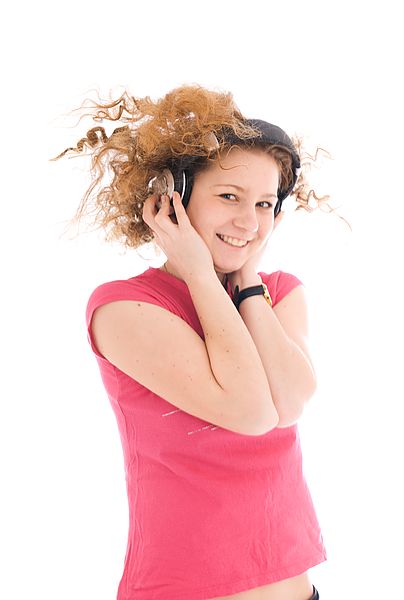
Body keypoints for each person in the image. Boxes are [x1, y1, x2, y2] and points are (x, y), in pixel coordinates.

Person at [56, 84, 327, 600]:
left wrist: (247, 283)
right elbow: (251, 411)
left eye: (265, 204)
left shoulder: (280, 293)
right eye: (229, 197)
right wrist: (202, 277)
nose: (249, 222)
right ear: (174, 199)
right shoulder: (124, 308)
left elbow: (289, 402)